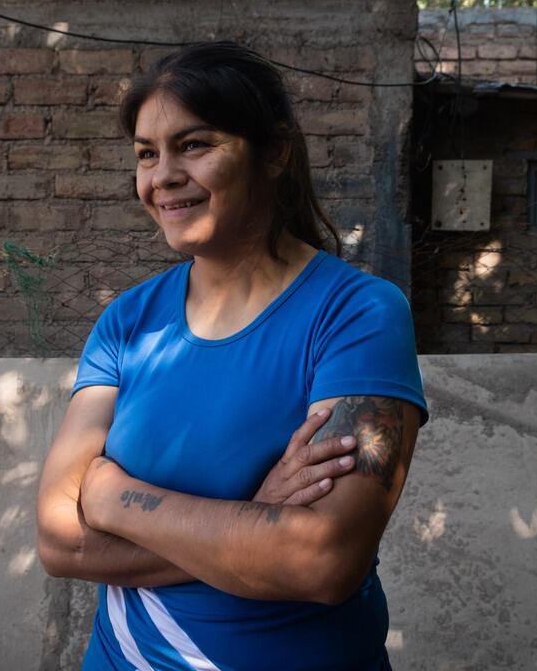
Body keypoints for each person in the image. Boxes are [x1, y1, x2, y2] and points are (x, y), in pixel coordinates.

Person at [36, 40, 429, 671]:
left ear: (273, 152)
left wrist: (110, 500)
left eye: (194, 145)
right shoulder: (126, 324)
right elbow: (60, 542)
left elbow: (323, 560)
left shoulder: (357, 314)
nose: (162, 175)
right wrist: (255, 521)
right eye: (146, 154)